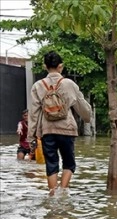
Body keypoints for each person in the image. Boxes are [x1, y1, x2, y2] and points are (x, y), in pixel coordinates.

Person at [27, 51, 92, 196]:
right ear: (60, 66)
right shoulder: (69, 84)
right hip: (67, 129)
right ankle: (63, 191)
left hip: (47, 130)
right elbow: (81, 105)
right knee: (69, 163)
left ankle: (52, 194)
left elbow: (34, 113)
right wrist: (88, 118)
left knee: (51, 163)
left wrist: (31, 136)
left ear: (45, 66)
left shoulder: (38, 86)